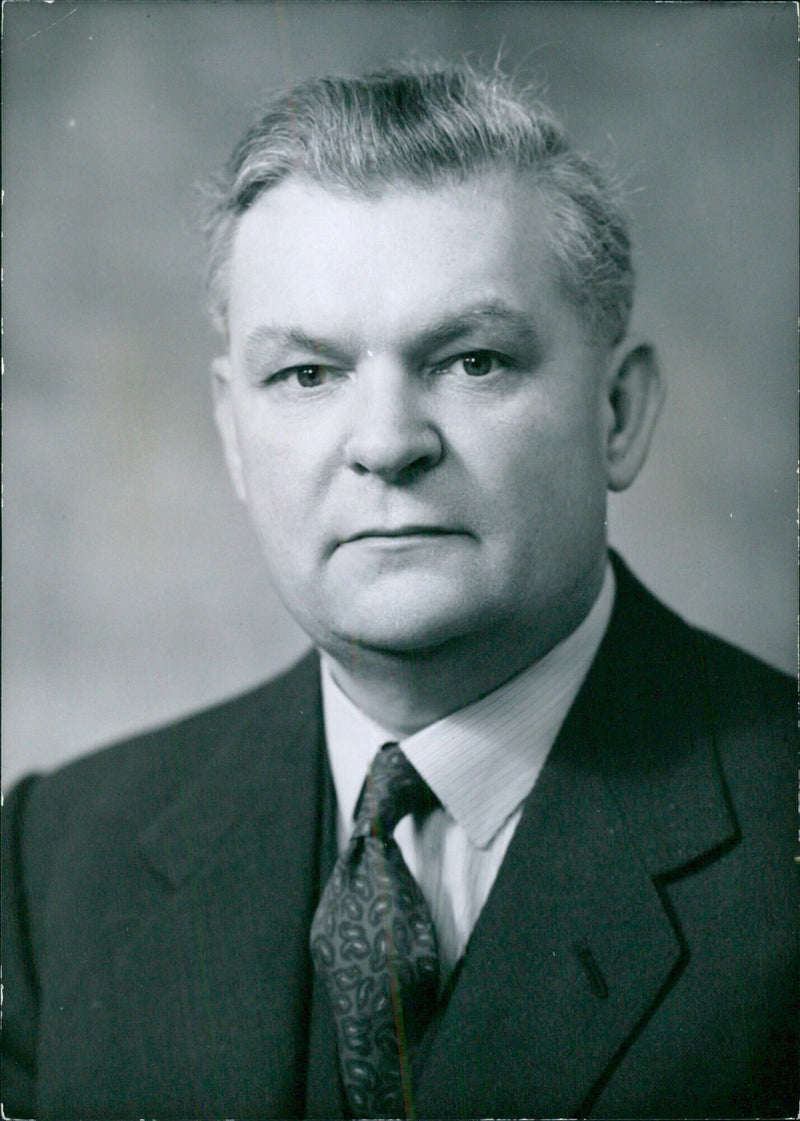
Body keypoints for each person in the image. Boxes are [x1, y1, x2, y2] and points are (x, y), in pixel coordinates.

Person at [1, 60, 795, 1121]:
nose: (383, 443)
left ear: (615, 412)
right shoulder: (56, 859)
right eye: (308, 374)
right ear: (236, 434)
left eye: (471, 360)